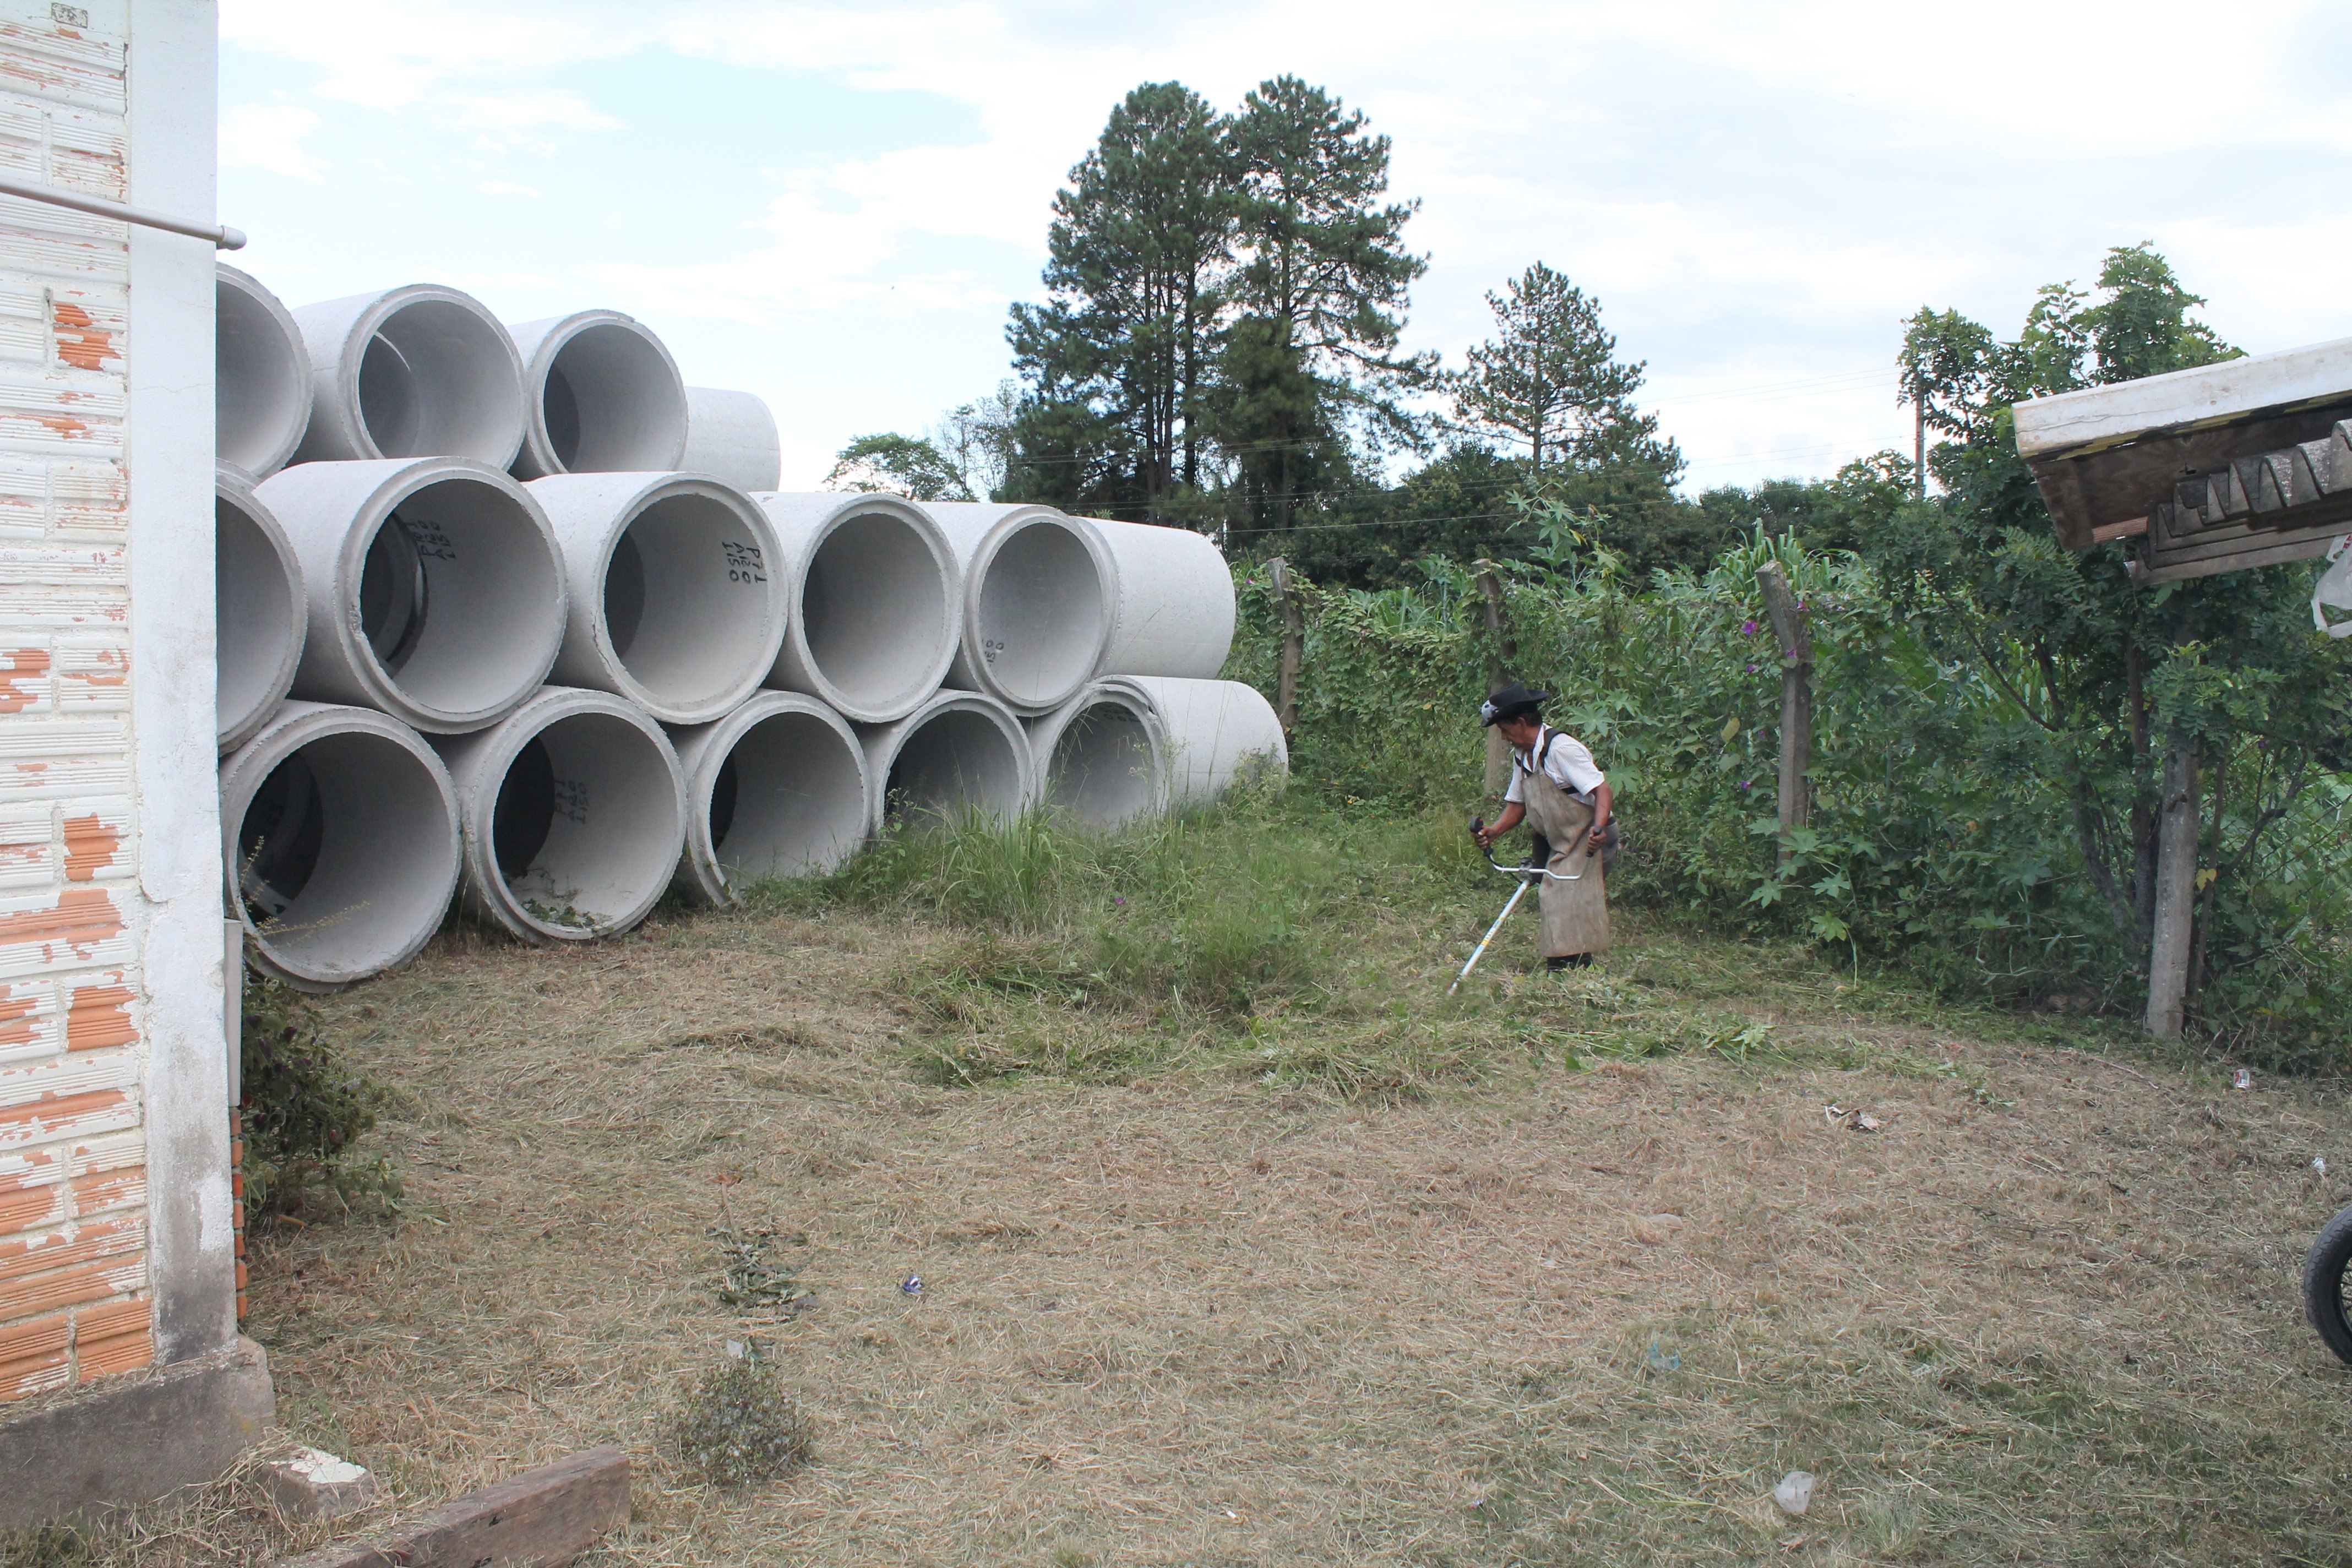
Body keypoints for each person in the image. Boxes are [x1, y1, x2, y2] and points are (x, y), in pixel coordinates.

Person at [1471, 685, 1613, 971]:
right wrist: (1495, 831)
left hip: (1588, 837)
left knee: (1561, 897)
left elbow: (1602, 790)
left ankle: (1568, 968)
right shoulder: (1523, 756)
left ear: (1521, 723)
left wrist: (1598, 830)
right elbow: (1518, 804)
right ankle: (1571, 966)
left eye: (1505, 729)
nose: (1503, 736)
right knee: (1558, 899)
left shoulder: (1562, 749)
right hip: (1559, 839)